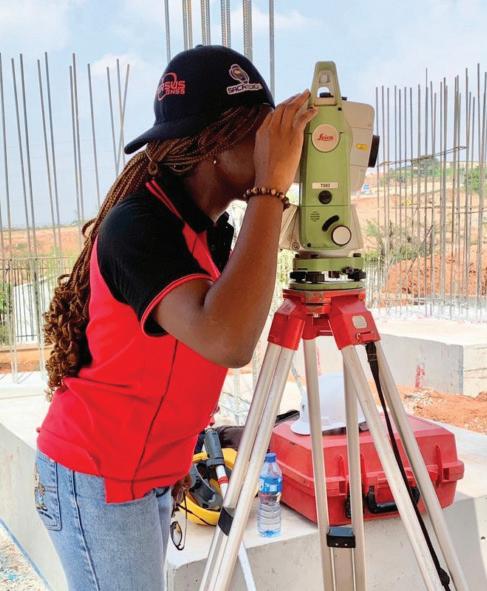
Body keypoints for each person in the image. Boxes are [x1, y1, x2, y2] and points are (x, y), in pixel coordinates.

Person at [33, 44, 317, 591]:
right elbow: (227, 339)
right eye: (261, 132)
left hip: (145, 474)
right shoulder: (138, 225)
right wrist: (270, 188)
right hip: (99, 476)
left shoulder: (207, 232)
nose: (274, 147)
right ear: (213, 144)